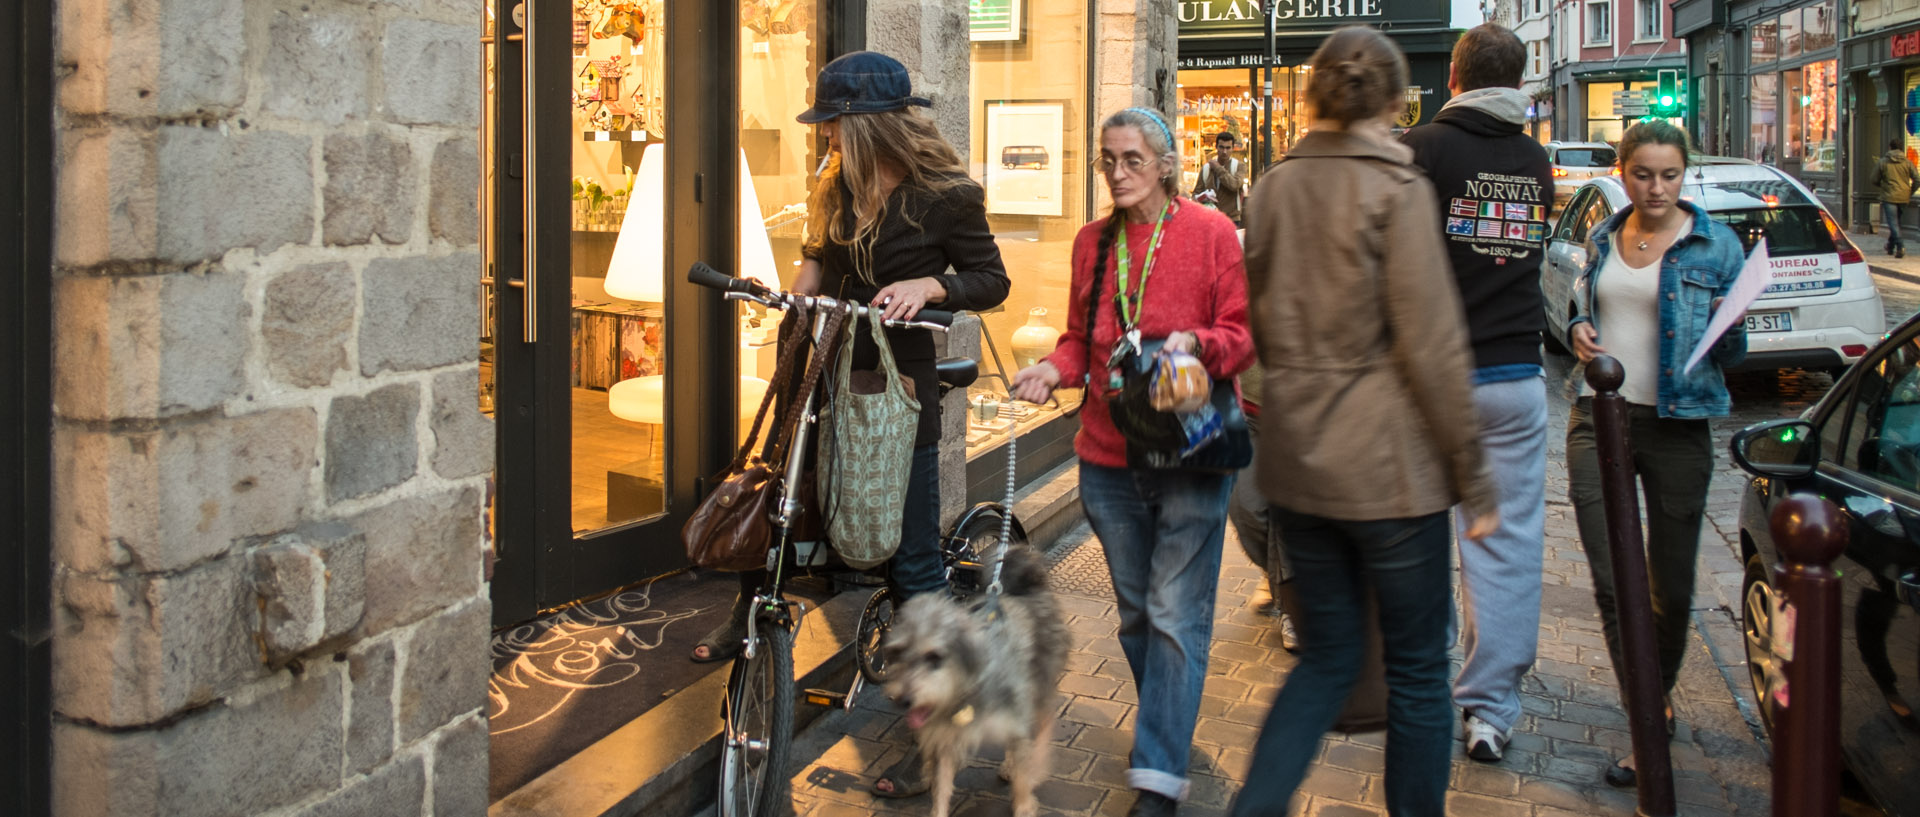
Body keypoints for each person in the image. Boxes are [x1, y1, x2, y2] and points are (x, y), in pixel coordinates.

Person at [688, 51, 1011, 793]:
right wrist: (792, 302)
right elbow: (816, 262)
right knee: (783, 503)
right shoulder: (835, 186)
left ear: (864, 126)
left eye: (832, 125)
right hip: (831, 370)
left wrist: (932, 282)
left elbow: (991, 279)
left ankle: (937, 745)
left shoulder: (945, 196)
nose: (824, 138)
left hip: (898, 390)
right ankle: (748, 623)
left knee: (915, 567)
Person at [1228, 26, 1498, 817]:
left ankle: (1255, 807)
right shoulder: (1397, 189)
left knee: (1325, 659)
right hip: (1391, 475)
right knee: (1417, 667)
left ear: (1312, 96)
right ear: (1393, 99)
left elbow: (1262, 332)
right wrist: (1475, 478)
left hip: (1301, 463)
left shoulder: (1273, 189)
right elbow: (1434, 344)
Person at [1010, 106, 1253, 817]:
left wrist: (1195, 344)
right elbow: (1076, 341)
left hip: (1190, 451)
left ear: (1167, 164)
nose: (1117, 172)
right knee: (1139, 617)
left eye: (1132, 159)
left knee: (1177, 615)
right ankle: (1167, 732)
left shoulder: (1211, 234)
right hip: (1108, 459)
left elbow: (1242, 337)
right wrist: (1050, 371)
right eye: (1107, 159)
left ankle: (1157, 777)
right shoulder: (1093, 242)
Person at [1563, 119, 1747, 787]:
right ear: (1623, 171)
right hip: (1597, 415)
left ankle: (1653, 700)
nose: (1657, 187)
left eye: (1670, 174)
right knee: (1614, 578)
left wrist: (1730, 324)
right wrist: (1580, 325)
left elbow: (1735, 351)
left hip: (1679, 424)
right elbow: (1583, 306)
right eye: (1643, 174)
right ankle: (1648, 711)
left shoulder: (1716, 244)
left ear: (1684, 173)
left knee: (1669, 585)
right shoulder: (1604, 235)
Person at [1399, 22, 1554, 764]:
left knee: (1422, 539)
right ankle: (1490, 709)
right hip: (1517, 378)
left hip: (1437, 381)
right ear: (1518, 81)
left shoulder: (1424, 149)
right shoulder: (1534, 159)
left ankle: (1420, 691)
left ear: (1453, 75)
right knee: (1507, 546)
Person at [1192, 131, 1248, 224]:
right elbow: (1196, 194)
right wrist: (1202, 198)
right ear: (1216, 147)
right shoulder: (1207, 168)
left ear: (1232, 148)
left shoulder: (1239, 166)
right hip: (1210, 219)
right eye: (1221, 147)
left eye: (1228, 148)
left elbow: (1234, 185)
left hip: (1232, 219)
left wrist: (1218, 168)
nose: (1224, 152)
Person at [1874, 138, 1917, 258]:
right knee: (1896, 223)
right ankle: (1890, 246)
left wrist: (1883, 186)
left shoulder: (1883, 162)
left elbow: (1874, 179)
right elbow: (1917, 179)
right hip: (1904, 197)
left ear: (1890, 147)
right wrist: (1909, 191)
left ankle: (1900, 246)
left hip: (1889, 196)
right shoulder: (1908, 163)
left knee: (1893, 223)